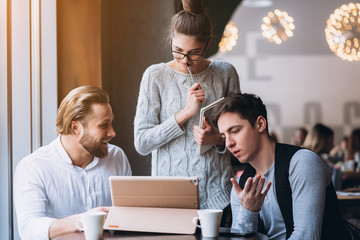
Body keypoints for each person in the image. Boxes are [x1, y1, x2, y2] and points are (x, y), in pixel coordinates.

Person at [133, 0, 240, 215]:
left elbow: (241, 134)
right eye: (178, 50)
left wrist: (216, 139)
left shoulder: (225, 73)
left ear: (208, 43)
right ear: (171, 40)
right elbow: (142, 143)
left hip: (219, 196)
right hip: (168, 198)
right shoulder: (155, 76)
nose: (185, 60)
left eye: (194, 52)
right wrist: (185, 114)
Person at [212, 93, 349, 239]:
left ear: (260, 124)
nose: (228, 143)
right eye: (224, 136)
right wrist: (248, 211)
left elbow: (306, 236)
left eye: (235, 131)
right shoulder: (242, 185)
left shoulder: (302, 163)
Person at [14, 86, 132, 240]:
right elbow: (29, 229)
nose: (112, 133)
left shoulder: (117, 157)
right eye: (104, 125)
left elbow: (128, 214)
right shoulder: (33, 167)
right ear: (75, 127)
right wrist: (82, 221)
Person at [302, 123, 342, 190]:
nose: (333, 145)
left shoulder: (305, 155)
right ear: (323, 141)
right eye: (331, 141)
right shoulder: (315, 160)